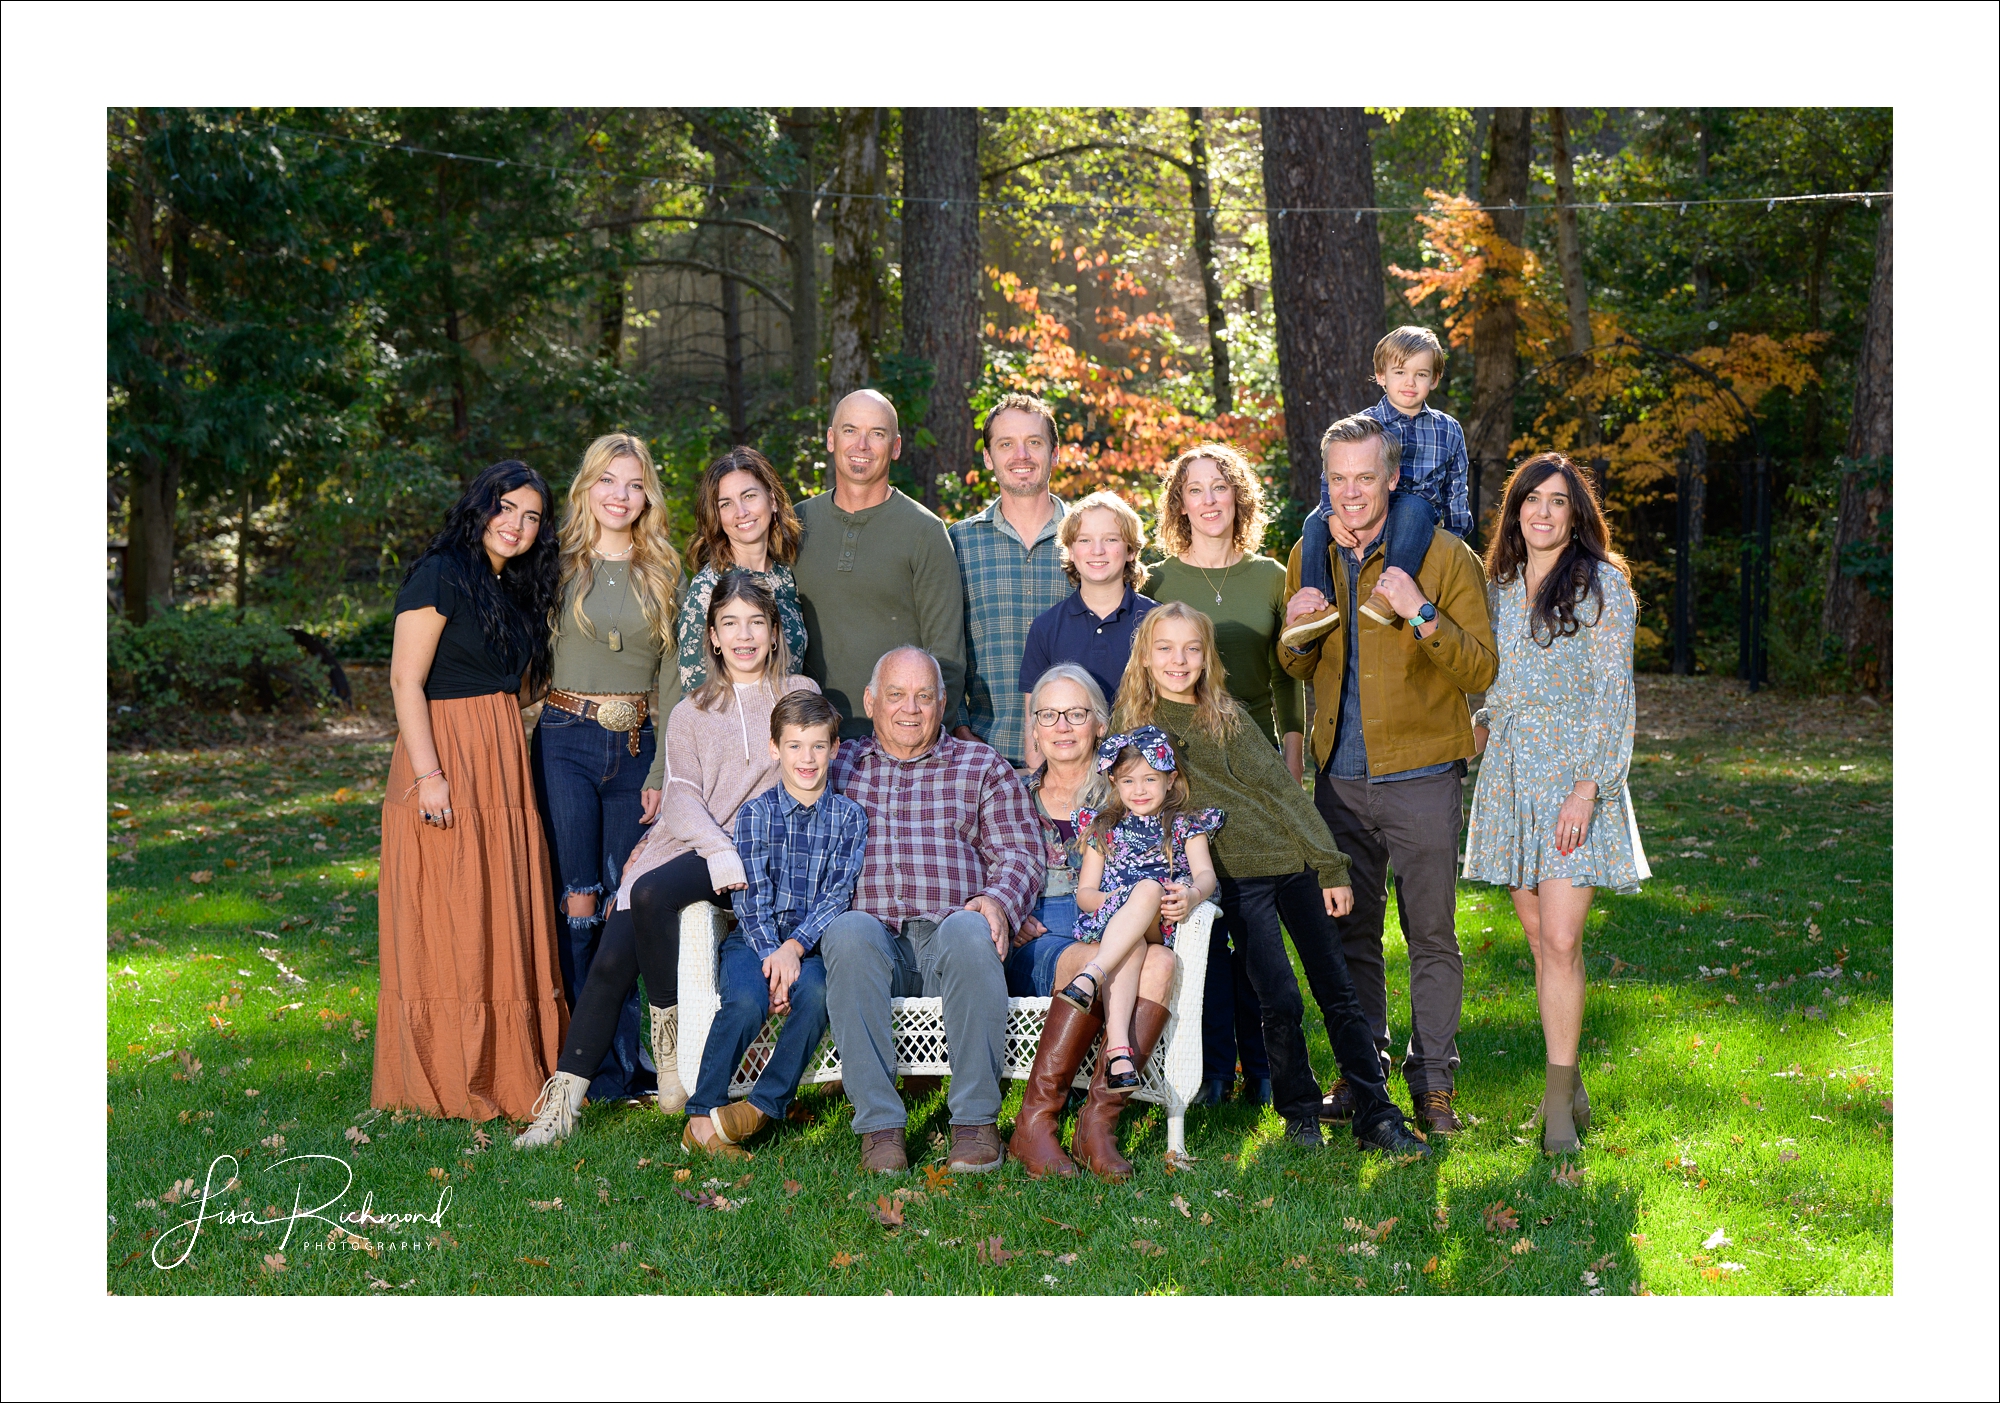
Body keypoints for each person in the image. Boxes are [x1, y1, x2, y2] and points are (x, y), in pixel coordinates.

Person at [513, 574, 819, 1148]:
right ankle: (562, 1103)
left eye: (757, 623)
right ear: (712, 636)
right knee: (614, 948)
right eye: (730, 623)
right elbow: (680, 797)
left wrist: (740, 849)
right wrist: (718, 848)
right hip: (696, 842)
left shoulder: (797, 693)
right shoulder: (693, 708)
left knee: (652, 892)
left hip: (762, 851)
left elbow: (805, 779)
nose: (745, 636)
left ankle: (669, 1046)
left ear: (776, 634)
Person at [1120, 602, 1427, 1156]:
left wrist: (1329, 864)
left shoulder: (1225, 713)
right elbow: (1134, 806)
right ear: (1145, 656)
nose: (1178, 660)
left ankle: (1377, 1114)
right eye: (1164, 648)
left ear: (1207, 656)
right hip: (1235, 878)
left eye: (1192, 648)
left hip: (1291, 865)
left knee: (1337, 989)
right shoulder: (1141, 734)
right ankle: (1301, 1112)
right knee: (1279, 995)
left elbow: (1281, 792)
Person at [1279, 413, 1497, 1137]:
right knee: (1352, 936)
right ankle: (1361, 1074)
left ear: (1392, 477)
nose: (1350, 493)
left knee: (1431, 932)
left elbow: (1480, 667)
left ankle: (1434, 1081)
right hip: (1337, 779)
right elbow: (1298, 666)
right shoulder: (1307, 555)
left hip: (1423, 774)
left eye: (1364, 478)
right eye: (1336, 479)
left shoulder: (1444, 555)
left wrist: (1419, 610)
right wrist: (1297, 629)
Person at [1462, 453, 1649, 1154]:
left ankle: (1557, 1104)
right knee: (1540, 940)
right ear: (1515, 512)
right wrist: (1480, 721)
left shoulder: (1603, 586)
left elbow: (1615, 693)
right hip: (1511, 772)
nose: (1542, 512)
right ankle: (1570, 1083)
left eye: (1558, 502)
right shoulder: (1498, 586)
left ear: (1577, 515)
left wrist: (1589, 785)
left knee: (1565, 939)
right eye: (1530, 500)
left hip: (1574, 776)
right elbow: (1496, 679)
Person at [375, 460, 568, 1122]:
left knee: (497, 906)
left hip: (500, 757)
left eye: (532, 515)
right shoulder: (439, 574)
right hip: (446, 756)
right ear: (480, 505)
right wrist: (430, 775)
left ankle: (509, 1064)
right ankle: (447, 1073)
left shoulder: (507, 586)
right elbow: (405, 681)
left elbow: (518, 683)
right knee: (454, 909)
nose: (516, 524)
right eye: (506, 507)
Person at [818, 647, 1042, 1176]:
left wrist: (999, 901)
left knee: (971, 928)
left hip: (951, 936)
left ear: (944, 702)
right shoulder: (839, 765)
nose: (910, 709)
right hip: (878, 943)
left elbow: (1021, 851)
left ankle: (974, 1123)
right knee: (846, 930)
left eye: (924, 696)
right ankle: (879, 1129)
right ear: (871, 702)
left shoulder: (979, 764)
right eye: (895, 695)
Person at [1142, 442, 1303, 1106]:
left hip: (1258, 771)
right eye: (1195, 489)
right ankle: (1210, 1067)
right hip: (1184, 777)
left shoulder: (1271, 576)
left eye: (1220, 488)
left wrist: (1293, 767)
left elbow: (1291, 679)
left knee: (1256, 928)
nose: (1208, 500)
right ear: (1180, 503)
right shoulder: (1154, 580)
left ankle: (1265, 1067)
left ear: (1239, 497)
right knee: (1199, 922)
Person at [533, 432, 679, 1108]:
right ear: (586, 487)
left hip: (637, 746)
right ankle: (575, 1059)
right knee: (580, 901)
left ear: (647, 493)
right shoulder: (555, 566)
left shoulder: (665, 572)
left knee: (627, 905)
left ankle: (624, 1070)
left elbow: (675, 678)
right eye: (607, 481)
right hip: (564, 735)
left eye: (633, 483)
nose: (620, 495)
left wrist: (663, 769)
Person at [1007, 665, 1180, 1182]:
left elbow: (1176, 857)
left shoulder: (1129, 793)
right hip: (1035, 936)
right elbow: (971, 862)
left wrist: (1183, 894)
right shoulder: (1007, 790)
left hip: (1111, 928)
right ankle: (1036, 1123)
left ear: (1100, 725)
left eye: (1076, 714)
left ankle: (1097, 1123)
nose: (1062, 726)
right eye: (1048, 715)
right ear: (1034, 728)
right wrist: (1002, 907)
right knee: (1110, 959)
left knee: (1160, 961)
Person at [685, 691, 868, 1158]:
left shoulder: (850, 818)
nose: (806, 758)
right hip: (752, 941)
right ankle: (701, 1118)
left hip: (809, 948)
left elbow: (837, 895)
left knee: (819, 993)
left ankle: (762, 1107)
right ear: (774, 748)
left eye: (818, 746)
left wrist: (795, 949)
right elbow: (751, 896)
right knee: (746, 1002)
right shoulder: (755, 814)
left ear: (835, 748)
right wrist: (773, 952)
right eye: (794, 746)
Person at [1281, 326, 1472, 647]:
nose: (1410, 382)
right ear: (1381, 376)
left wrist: (1455, 537)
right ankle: (1315, 604)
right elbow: (1332, 472)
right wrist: (1331, 514)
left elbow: (1457, 485)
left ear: (1435, 379)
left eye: (1421, 374)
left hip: (1417, 514)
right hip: (1368, 508)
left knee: (1412, 505)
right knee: (1311, 523)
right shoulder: (1364, 425)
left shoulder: (1448, 429)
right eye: (1400, 372)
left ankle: (1387, 592)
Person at [793, 389, 966, 740]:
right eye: (850, 430)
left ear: (896, 446)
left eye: (877, 433)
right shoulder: (796, 524)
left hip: (893, 748)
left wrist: (916, 742)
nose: (862, 445)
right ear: (830, 439)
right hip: (808, 741)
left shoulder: (925, 532)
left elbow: (946, 658)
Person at [1064, 729, 1220, 1088]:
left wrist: (1192, 896)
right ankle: (1119, 1052)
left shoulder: (1184, 825)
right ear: (1114, 782)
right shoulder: (1103, 827)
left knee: (1149, 889)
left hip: (1163, 921)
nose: (1140, 789)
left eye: (1150, 779)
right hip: (1114, 921)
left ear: (1170, 780)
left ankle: (1091, 975)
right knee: (1130, 941)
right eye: (1129, 780)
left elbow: (1206, 875)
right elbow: (1086, 894)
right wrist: (1124, 901)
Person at [947, 392, 1071, 767]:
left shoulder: (1089, 540)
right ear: (988, 457)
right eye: (1006, 444)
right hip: (986, 757)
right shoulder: (958, 543)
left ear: (1055, 453)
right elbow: (941, 644)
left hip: (1081, 758)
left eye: (1034, 443)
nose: (1021, 455)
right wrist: (960, 727)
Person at [1017, 490, 1156, 767]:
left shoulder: (1156, 622)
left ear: (1130, 551)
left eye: (1111, 539)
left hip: (1143, 778)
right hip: (1071, 778)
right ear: (1070, 550)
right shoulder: (1046, 628)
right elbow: (1034, 727)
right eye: (1085, 540)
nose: (1097, 550)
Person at [676, 446, 808, 695]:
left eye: (749, 496)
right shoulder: (708, 588)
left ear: (772, 500)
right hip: (730, 729)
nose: (741, 512)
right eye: (726, 504)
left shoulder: (788, 577)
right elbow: (695, 691)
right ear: (717, 515)